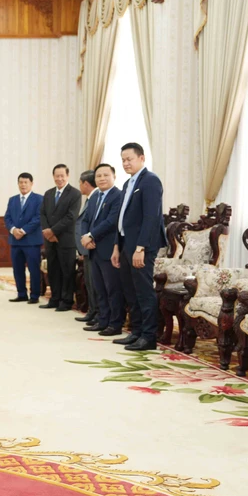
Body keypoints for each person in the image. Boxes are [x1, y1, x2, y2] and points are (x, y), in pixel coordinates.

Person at [111, 142, 165, 351]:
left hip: (142, 246)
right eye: (123, 160)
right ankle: (136, 332)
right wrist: (117, 247)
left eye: (129, 159)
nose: (125, 163)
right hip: (126, 244)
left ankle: (149, 337)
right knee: (130, 291)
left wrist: (140, 247)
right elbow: (122, 218)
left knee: (143, 291)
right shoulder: (127, 184)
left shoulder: (151, 181)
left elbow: (151, 217)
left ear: (141, 158)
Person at [81, 163, 124, 336]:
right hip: (93, 249)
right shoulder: (95, 196)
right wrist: (85, 237)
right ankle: (102, 320)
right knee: (99, 288)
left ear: (114, 177)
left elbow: (111, 221)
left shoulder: (118, 196)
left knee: (112, 289)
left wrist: (91, 235)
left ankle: (115, 324)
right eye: (99, 176)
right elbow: (85, 220)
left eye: (106, 175)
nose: (102, 178)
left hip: (109, 249)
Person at [39, 164, 81, 311]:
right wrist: (47, 231)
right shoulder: (48, 193)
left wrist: (53, 231)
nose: (59, 178)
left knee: (67, 270)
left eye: (62, 175)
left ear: (67, 176)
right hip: (50, 240)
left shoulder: (75, 194)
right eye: (57, 176)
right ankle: (54, 299)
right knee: (53, 269)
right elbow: (43, 214)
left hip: (66, 239)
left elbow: (71, 217)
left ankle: (66, 300)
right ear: (53, 177)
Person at [4, 172, 43, 304]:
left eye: (26, 182)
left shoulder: (39, 199)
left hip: (31, 241)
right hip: (15, 240)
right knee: (17, 269)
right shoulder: (12, 199)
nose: (23, 185)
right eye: (21, 182)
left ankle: (34, 295)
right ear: (18, 184)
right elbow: (7, 218)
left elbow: (38, 218)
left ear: (31, 184)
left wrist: (24, 230)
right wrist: (13, 230)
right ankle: (21, 294)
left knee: (33, 269)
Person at [74, 170, 99, 325]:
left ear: (86, 183)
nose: (79, 186)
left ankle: (96, 313)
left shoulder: (95, 197)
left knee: (95, 284)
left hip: (93, 247)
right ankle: (92, 311)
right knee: (90, 283)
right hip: (86, 247)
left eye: (80, 183)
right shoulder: (90, 198)